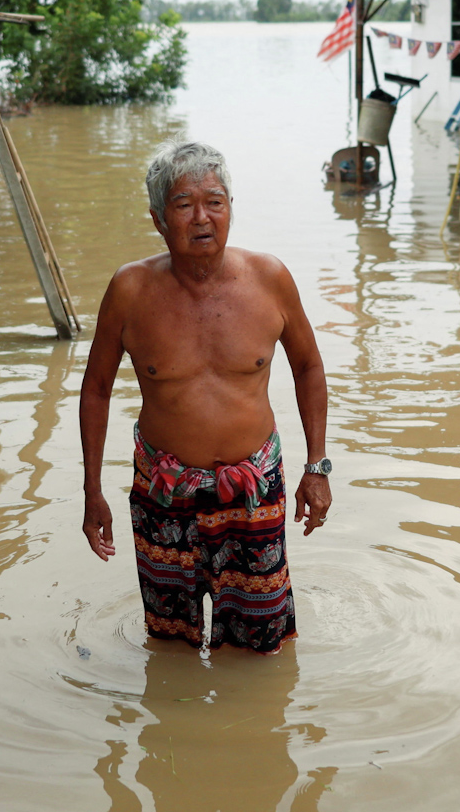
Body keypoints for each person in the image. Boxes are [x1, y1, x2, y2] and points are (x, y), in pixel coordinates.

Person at [78, 141, 331, 654]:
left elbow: (308, 366)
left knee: (262, 646)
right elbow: (96, 389)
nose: (202, 218)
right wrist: (92, 490)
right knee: (168, 646)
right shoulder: (129, 290)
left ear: (231, 208)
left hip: (254, 490)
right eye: (183, 204)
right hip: (162, 492)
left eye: (215, 201)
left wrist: (317, 467)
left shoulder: (270, 279)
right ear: (157, 218)